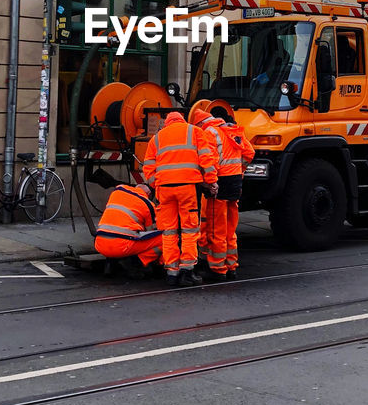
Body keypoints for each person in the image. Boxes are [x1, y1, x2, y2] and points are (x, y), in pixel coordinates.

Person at [141, 111, 218, 287]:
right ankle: (187, 270)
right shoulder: (194, 131)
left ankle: (171, 272)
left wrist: (156, 184)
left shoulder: (157, 138)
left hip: (165, 190)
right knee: (189, 229)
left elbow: (148, 167)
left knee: (168, 231)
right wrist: (211, 181)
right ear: (182, 120)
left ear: (167, 123)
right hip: (187, 187)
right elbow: (206, 158)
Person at [195, 107, 254, 282]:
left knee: (216, 228)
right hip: (235, 182)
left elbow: (210, 161)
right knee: (230, 227)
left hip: (221, 182)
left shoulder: (209, 133)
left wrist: (211, 182)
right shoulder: (233, 130)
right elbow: (249, 153)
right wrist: (240, 171)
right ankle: (231, 266)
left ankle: (218, 268)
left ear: (199, 123)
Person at [94, 181, 162, 278]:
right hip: (122, 246)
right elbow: (150, 231)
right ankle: (137, 262)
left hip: (100, 242)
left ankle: (111, 262)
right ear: (149, 195)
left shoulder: (117, 191)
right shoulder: (148, 204)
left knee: (117, 231)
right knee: (166, 237)